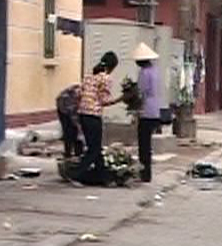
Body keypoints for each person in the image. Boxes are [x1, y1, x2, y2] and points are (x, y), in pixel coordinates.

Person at [73, 51, 123, 182]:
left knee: (94, 147)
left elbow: (79, 93)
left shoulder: (89, 76)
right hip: (94, 115)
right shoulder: (105, 78)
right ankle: (76, 174)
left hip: (83, 114)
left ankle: (103, 176)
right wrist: (120, 99)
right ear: (112, 66)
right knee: (94, 150)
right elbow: (103, 100)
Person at [132, 42, 161, 183]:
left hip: (146, 110)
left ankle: (145, 173)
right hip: (155, 109)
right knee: (147, 143)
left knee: (143, 144)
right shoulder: (155, 70)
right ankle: (146, 173)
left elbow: (141, 91)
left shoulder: (144, 73)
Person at [55, 84, 83, 158]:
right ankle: (69, 153)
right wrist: (78, 125)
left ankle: (78, 151)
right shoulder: (71, 97)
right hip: (63, 109)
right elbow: (72, 114)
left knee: (76, 131)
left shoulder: (82, 94)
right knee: (69, 130)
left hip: (69, 106)